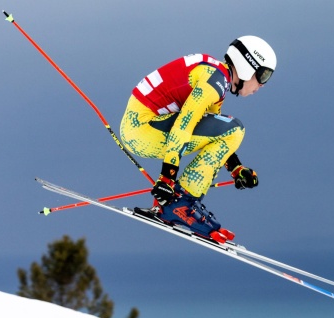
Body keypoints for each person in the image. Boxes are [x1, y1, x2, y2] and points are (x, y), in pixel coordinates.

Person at [119, 36, 277, 244]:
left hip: (140, 127)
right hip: (143, 129)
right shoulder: (215, 80)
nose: (263, 85)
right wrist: (167, 178)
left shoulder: (215, 76)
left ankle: (178, 203)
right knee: (236, 128)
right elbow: (184, 125)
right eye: (263, 75)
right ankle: (180, 205)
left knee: (229, 129)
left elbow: (212, 131)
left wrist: (236, 168)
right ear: (248, 66)